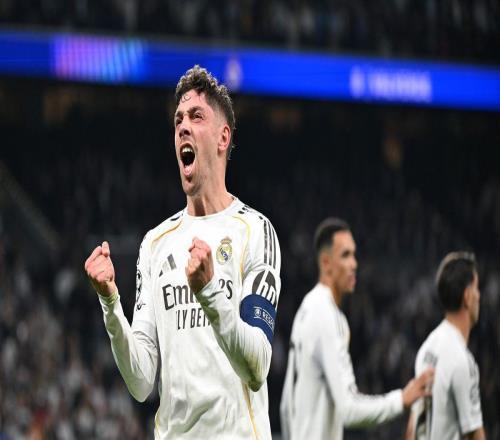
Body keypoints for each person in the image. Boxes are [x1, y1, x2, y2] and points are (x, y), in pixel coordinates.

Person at [84, 65, 281, 439]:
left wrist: (209, 292)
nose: (183, 127)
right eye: (178, 120)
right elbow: (141, 381)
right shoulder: (155, 243)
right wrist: (110, 303)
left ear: (223, 137)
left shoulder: (255, 231)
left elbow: (257, 366)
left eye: (196, 116)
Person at [280, 217, 433, 440]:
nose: (354, 264)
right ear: (326, 263)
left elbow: (286, 406)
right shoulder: (325, 314)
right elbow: (349, 409)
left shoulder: (307, 307)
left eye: (354, 254)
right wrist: (401, 399)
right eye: (345, 255)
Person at [406, 252, 485, 440]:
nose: (479, 296)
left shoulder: (427, 348)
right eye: (476, 288)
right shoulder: (462, 361)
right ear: (467, 296)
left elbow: (412, 427)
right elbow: (474, 433)